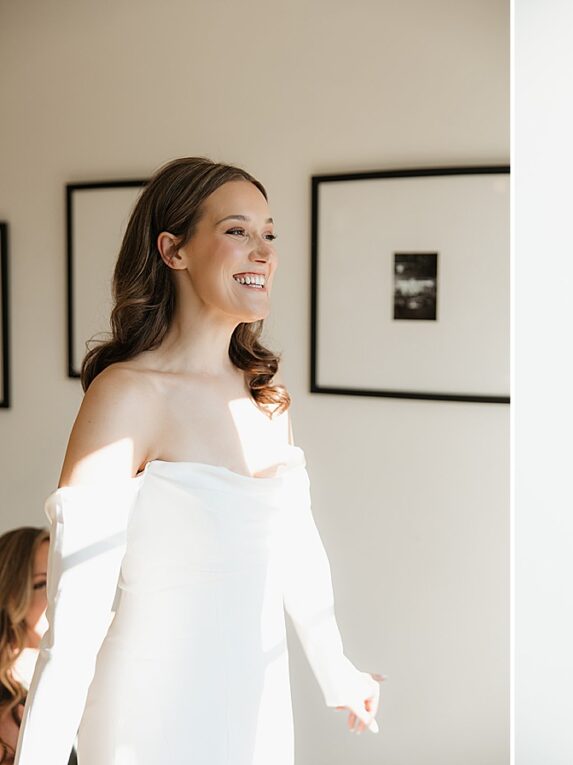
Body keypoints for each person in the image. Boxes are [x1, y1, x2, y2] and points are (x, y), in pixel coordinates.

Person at [14, 158, 380, 765]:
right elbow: (73, 623)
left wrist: (335, 669)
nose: (262, 251)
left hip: (256, 707)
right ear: (173, 250)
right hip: (146, 717)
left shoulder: (267, 397)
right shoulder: (127, 395)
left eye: (270, 234)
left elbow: (297, 550)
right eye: (237, 231)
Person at [0, 528, 63, 765]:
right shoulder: (8, 713)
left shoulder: (73, 679)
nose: (57, 596)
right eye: (42, 584)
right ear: (10, 596)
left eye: (60, 581)